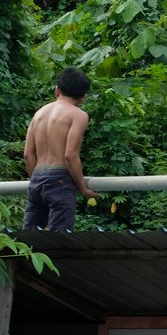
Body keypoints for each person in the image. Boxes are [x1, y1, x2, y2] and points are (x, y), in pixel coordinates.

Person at [23, 67, 98, 231]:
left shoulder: (39, 113)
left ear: (57, 89)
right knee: (60, 240)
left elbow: (28, 154)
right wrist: (82, 188)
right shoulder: (78, 115)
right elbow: (70, 155)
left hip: (36, 177)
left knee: (28, 239)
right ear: (83, 97)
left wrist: (36, 179)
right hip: (60, 179)